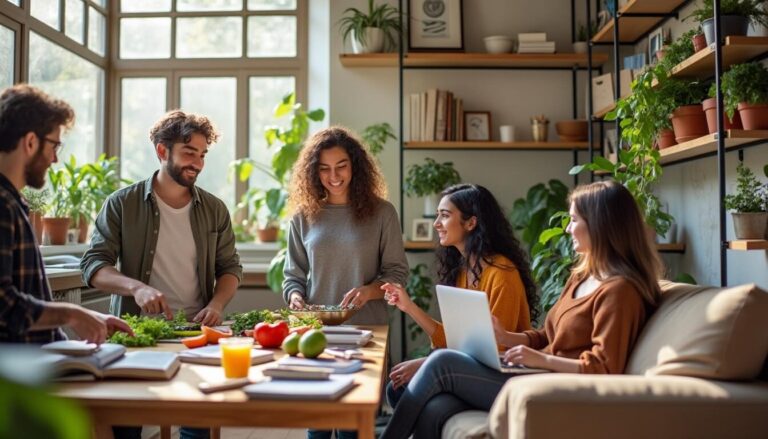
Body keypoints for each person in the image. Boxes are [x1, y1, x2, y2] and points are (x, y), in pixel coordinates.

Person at [380, 180, 663, 439]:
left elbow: (604, 368)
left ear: (601, 225)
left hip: (555, 385)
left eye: (574, 220)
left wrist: (541, 360)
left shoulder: (619, 291)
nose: (567, 228)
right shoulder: (581, 277)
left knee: (440, 364)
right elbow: (546, 336)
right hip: (533, 371)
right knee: (435, 407)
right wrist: (510, 338)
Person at [80, 110, 242, 439]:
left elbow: (230, 269)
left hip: (196, 335)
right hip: (136, 334)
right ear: (162, 151)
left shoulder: (215, 209)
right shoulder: (122, 204)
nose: (197, 163)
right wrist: (136, 288)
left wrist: (217, 304)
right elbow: (94, 265)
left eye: (202, 154)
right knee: (126, 427)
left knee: (196, 425)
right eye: (188, 153)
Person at [282, 126, 409, 439]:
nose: (333, 176)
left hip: (366, 334)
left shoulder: (383, 213)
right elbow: (293, 275)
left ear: (355, 166)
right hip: (317, 333)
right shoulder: (303, 215)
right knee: (318, 425)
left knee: (354, 427)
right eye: (324, 168)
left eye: (341, 166)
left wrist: (369, 291)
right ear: (313, 172)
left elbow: (397, 273)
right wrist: (295, 296)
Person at [381, 183, 538, 423]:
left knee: (420, 397)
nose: (436, 224)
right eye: (437, 216)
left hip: (499, 374)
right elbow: (456, 341)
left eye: (444, 215)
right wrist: (408, 306)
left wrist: (427, 364)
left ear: (471, 223)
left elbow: (494, 350)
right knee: (397, 389)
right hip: (470, 369)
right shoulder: (465, 270)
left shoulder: (502, 273)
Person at [0, 84, 133, 344]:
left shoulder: (14, 203)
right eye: (54, 146)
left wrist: (85, 318)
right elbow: (3, 305)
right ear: (30, 142)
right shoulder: (3, 205)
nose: (54, 159)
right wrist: (71, 315)